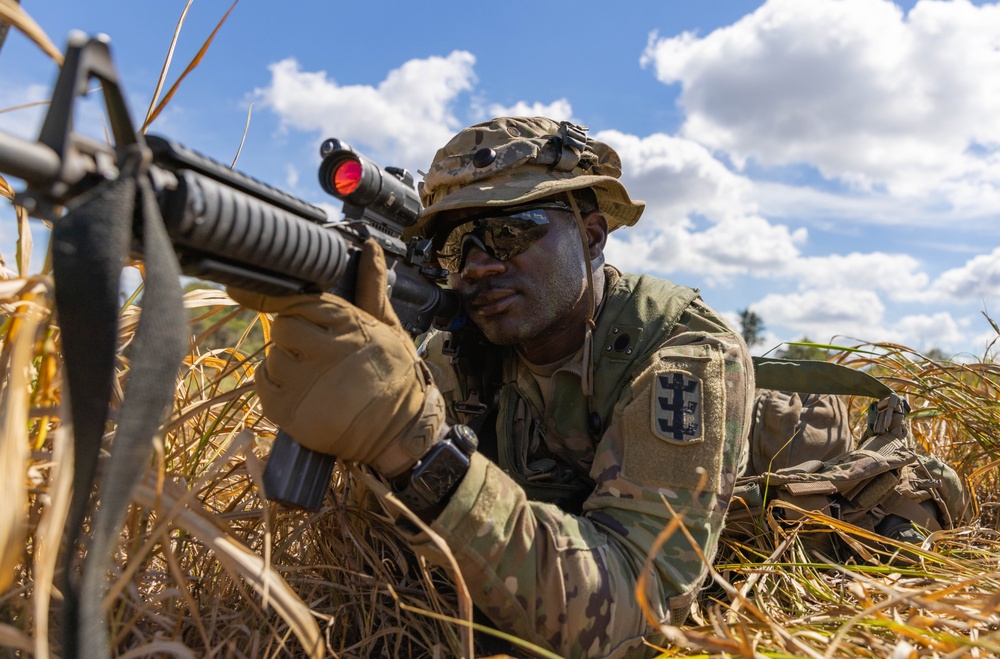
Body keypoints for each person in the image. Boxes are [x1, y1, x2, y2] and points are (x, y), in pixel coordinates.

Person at [231, 117, 755, 658]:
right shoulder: (455, 355)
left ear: (591, 235)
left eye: (510, 231)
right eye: (457, 245)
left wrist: (418, 446)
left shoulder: (684, 358)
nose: (478, 266)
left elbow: (639, 619)